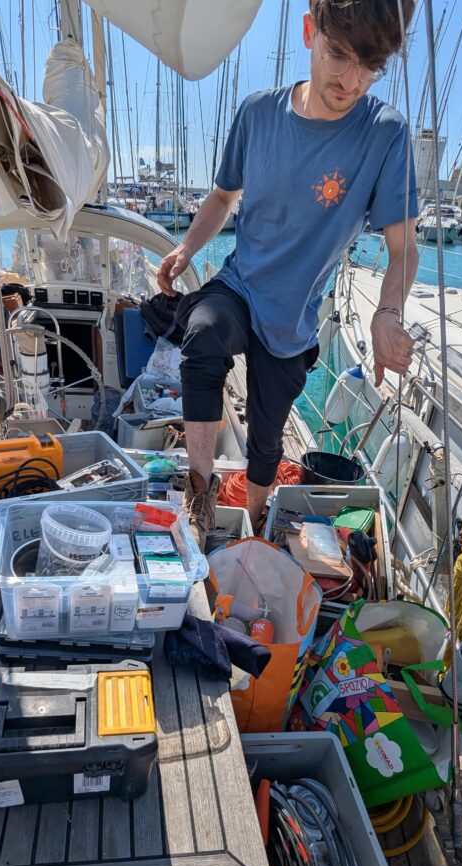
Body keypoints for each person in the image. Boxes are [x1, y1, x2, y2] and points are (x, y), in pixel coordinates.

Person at [157, 0, 419, 549]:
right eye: (338, 55)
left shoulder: (386, 133)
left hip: (294, 317)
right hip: (241, 285)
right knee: (203, 336)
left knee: (266, 437)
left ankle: (254, 522)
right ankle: (199, 495)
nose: (351, 81)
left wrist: (387, 313)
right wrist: (186, 247)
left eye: (370, 67)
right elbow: (223, 197)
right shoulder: (257, 113)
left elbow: (402, 248)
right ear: (309, 31)